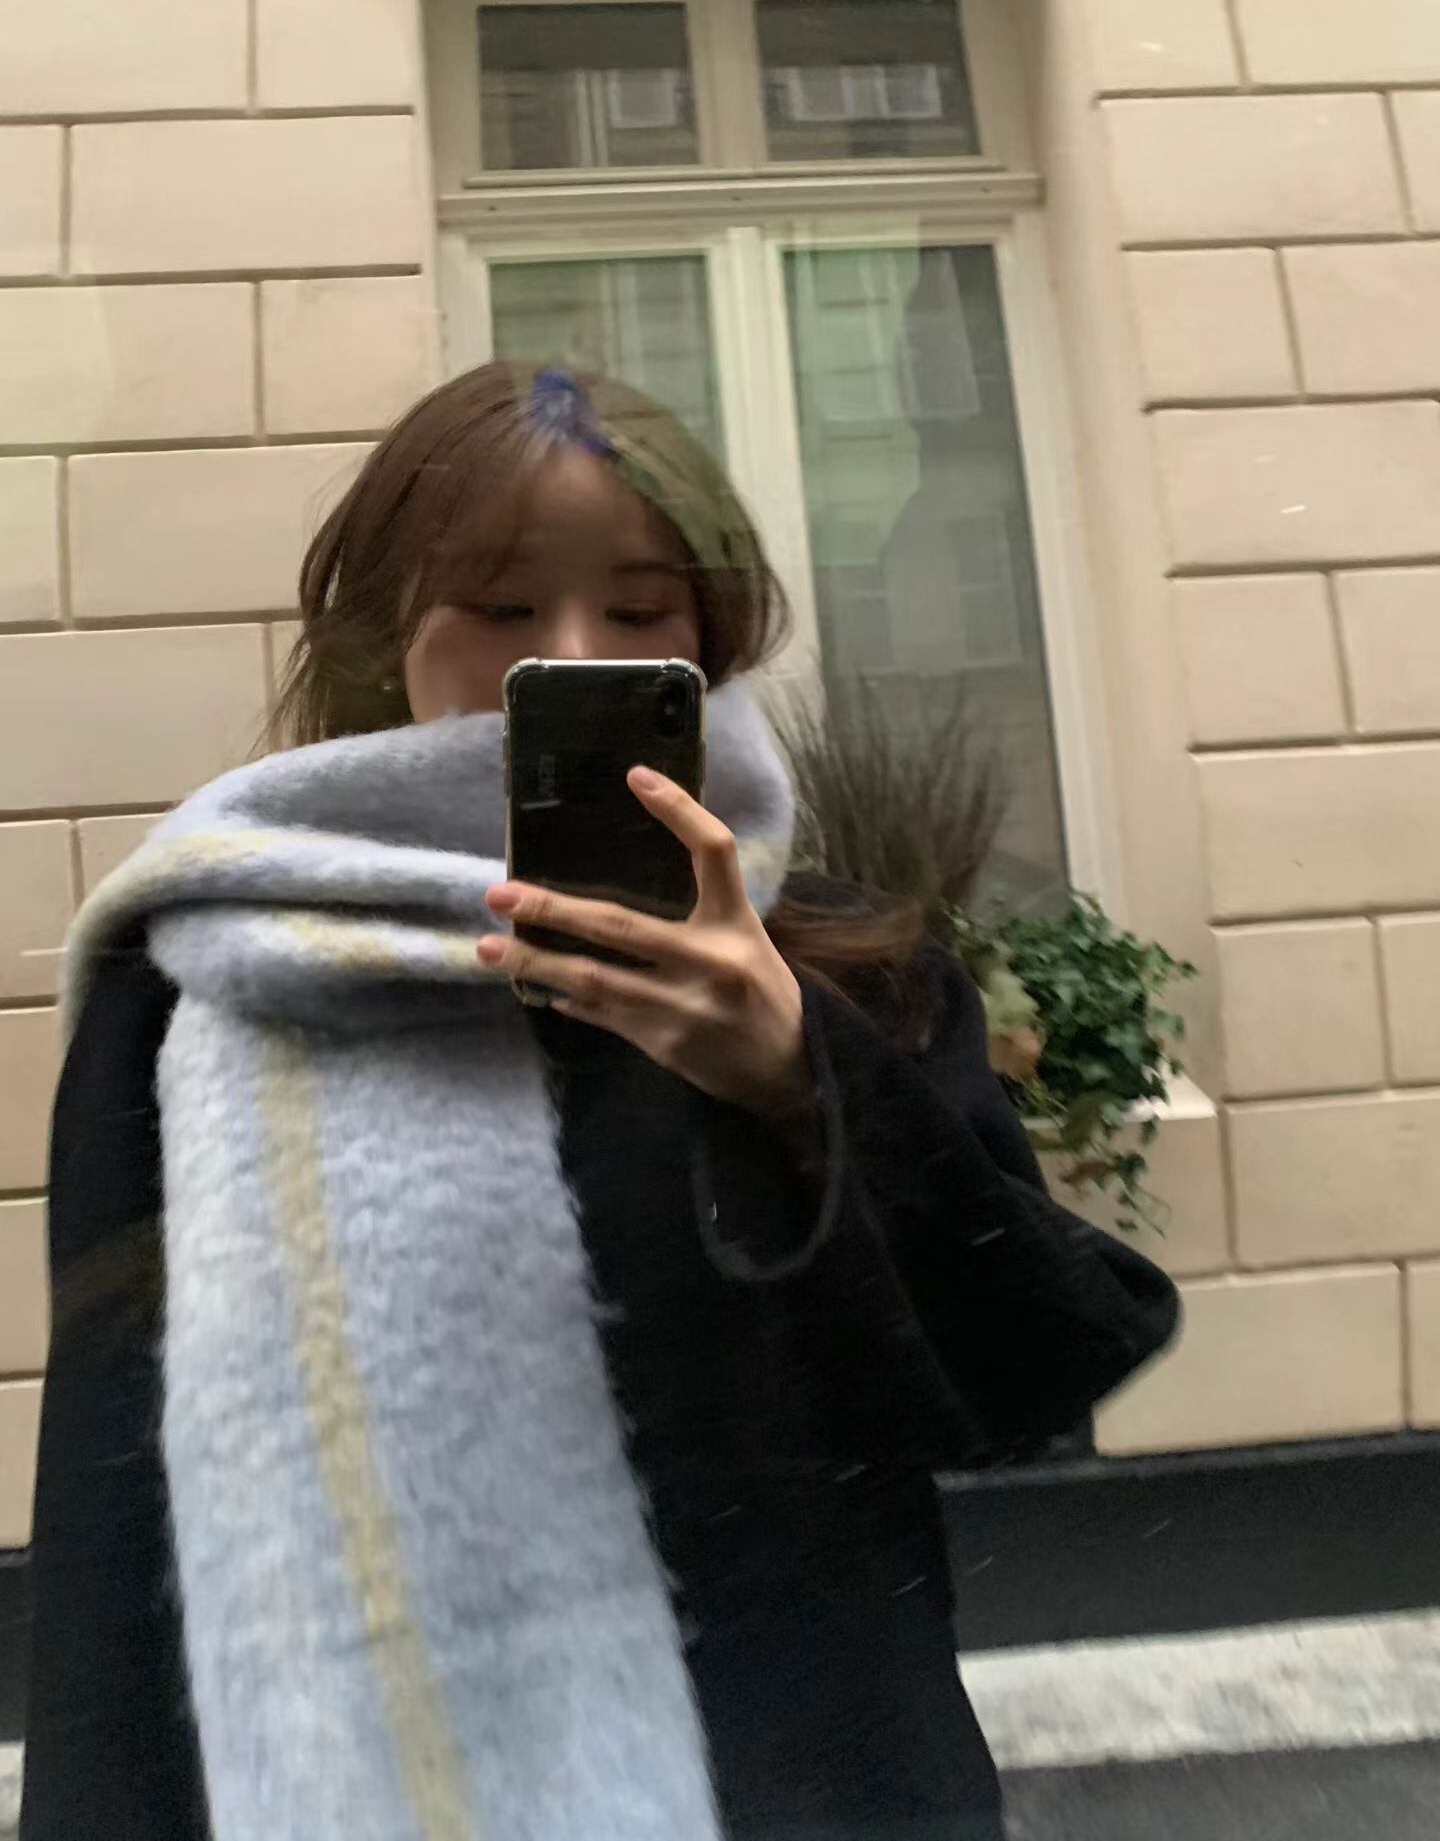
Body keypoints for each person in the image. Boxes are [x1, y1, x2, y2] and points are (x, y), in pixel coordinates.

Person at [21, 362, 1179, 1841]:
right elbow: (115, 1506)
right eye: (502, 605)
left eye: (638, 614)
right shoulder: (193, 979)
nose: (568, 658)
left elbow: (1028, 1379)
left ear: (709, 639)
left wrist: (804, 1082)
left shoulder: (853, 975)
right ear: (388, 628)